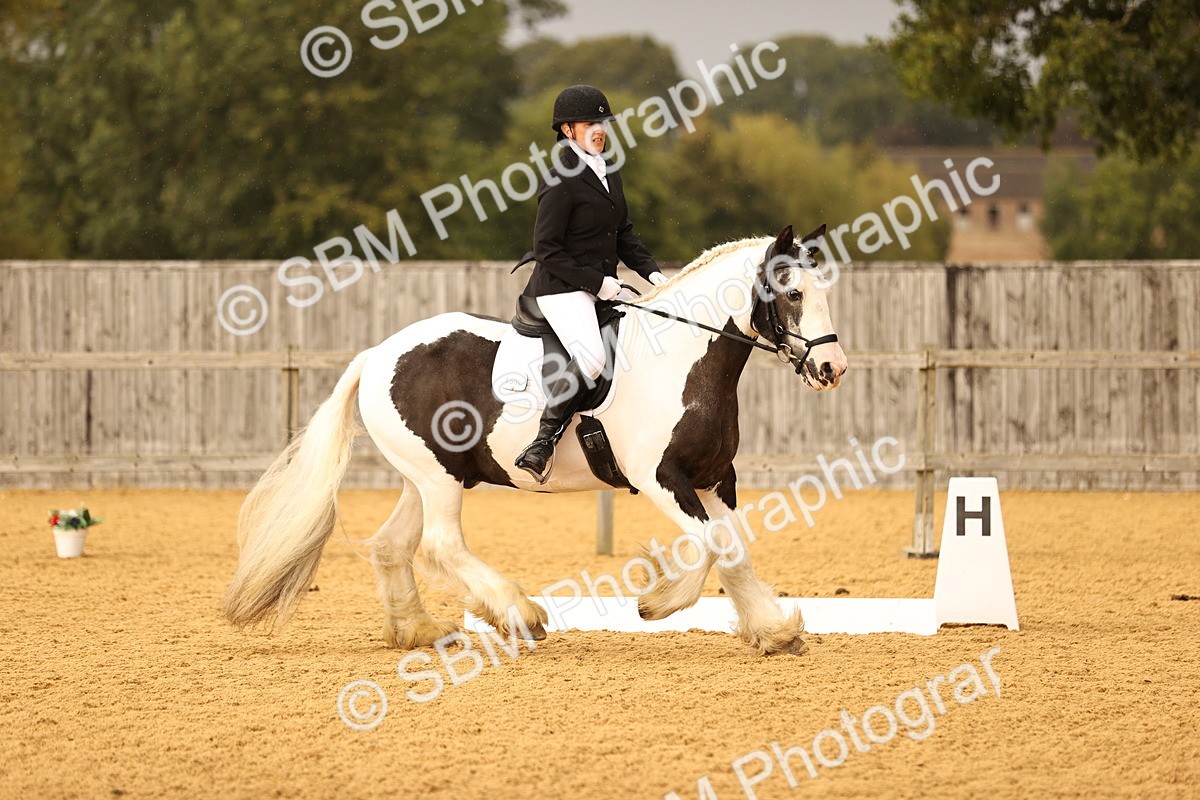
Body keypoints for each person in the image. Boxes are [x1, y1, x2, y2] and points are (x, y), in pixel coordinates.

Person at [514, 85, 668, 482]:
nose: (599, 129)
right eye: (589, 123)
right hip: (560, 289)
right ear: (567, 130)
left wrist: (653, 274)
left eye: (602, 123)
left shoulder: (609, 170)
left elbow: (624, 234)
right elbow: (545, 249)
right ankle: (542, 441)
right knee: (593, 358)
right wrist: (599, 284)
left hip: (599, 285)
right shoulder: (559, 178)